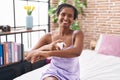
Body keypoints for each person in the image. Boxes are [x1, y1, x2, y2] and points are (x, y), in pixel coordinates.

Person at [25, 3, 84, 80]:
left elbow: (76, 52)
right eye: (63, 14)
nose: (66, 18)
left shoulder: (77, 34)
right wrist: (47, 47)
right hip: (53, 73)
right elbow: (29, 57)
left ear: (74, 19)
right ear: (57, 15)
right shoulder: (48, 36)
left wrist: (48, 53)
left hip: (72, 75)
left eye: (70, 16)